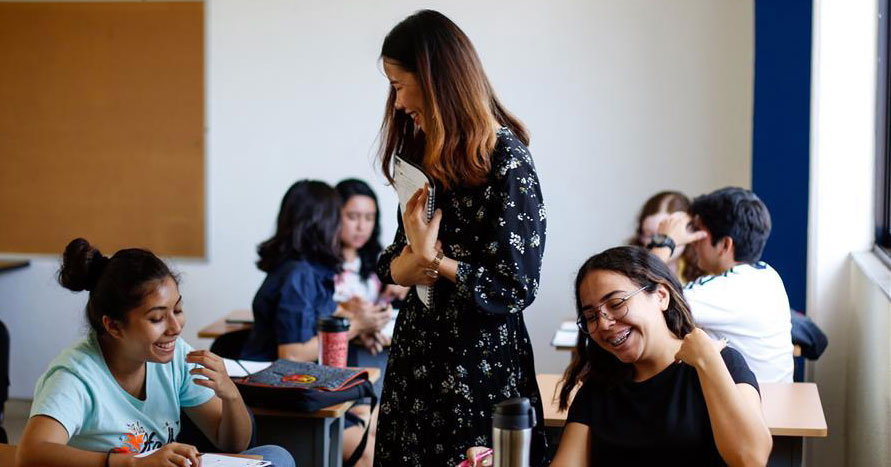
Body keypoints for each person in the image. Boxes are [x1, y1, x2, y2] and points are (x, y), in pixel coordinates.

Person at [374, 9, 548, 466]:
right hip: (418, 352)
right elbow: (394, 260)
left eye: (398, 84)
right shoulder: (422, 152)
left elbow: (516, 286)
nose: (396, 103)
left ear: (433, 80)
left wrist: (436, 262)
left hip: (479, 363)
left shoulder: (507, 159)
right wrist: (414, 262)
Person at [468, 246, 772, 465]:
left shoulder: (721, 363)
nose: (603, 324)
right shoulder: (599, 388)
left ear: (661, 296)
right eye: (591, 315)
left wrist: (708, 361)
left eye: (616, 303)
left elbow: (750, 458)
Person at [16, 238, 294, 467]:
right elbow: (30, 454)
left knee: (277, 457)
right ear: (113, 325)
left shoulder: (173, 357)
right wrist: (132, 464)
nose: (175, 327)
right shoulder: (75, 376)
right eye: (157, 318)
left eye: (178, 310)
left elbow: (232, 444)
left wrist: (230, 394)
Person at [240, 179, 389, 466]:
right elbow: (292, 354)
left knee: (376, 431)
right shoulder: (299, 274)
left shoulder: (304, 269)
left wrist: (357, 320)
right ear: (320, 223)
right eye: (339, 218)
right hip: (279, 398)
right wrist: (356, 327)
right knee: (368, 450)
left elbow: (331, 311)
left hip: (300, 389)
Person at [648, 187, 794, 382]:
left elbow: (642, 296)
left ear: (725, 245)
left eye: (700, 234)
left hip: (751, 404)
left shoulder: (725, 290)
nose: (693, 242)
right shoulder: (766, 274)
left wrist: (665, 241)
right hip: (775, 396)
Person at [630, 190, 704, 283]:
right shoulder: (628, 272)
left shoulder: (707, 271)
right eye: (649, 235)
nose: (656, 242)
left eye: (665, 235)